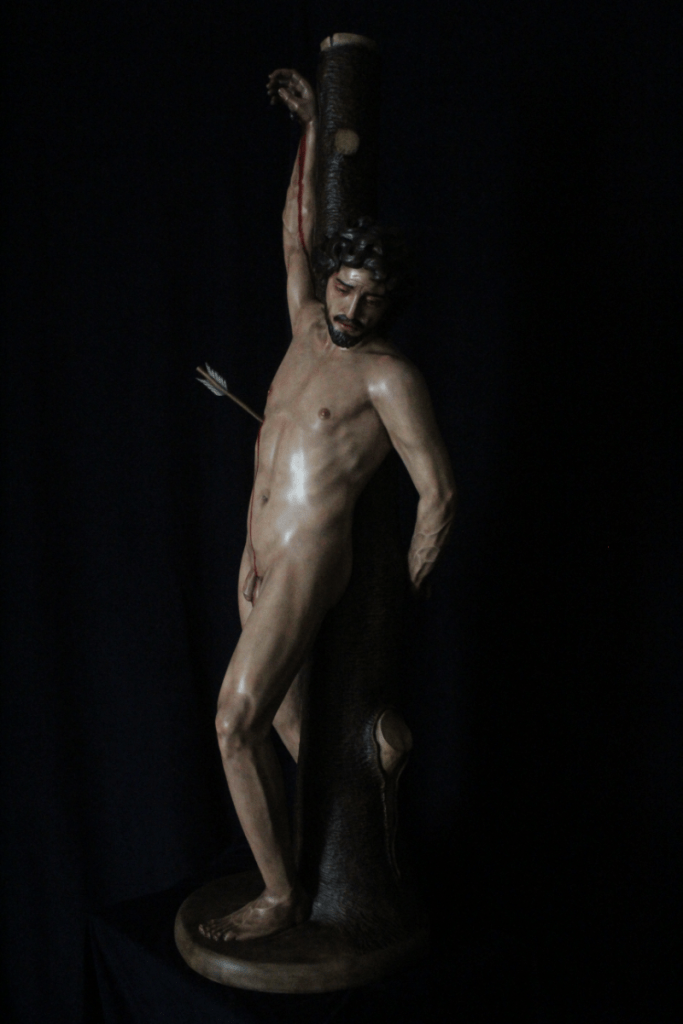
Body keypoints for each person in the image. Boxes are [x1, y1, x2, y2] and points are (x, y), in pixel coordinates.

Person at [199, 69, 455, 942]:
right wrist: (311, 128)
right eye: (344, 286)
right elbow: (293, 233)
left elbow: (438, 490)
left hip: (309, 558)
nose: (350, 307)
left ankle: (279, 896)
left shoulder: (388, 376)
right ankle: (351, 839)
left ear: (390, 304)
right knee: (283, 718)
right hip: (258, 551)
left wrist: (404, 591)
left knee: (233, 722)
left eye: (370, 298)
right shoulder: (307, 325)